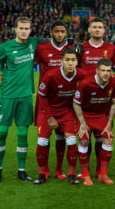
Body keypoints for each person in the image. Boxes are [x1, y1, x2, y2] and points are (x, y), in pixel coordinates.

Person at [0, 17, 46, 182]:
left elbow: (54, 40)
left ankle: (21, 170)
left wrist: (73, 43)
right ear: (15, 29)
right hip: (7, 96)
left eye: (27, 28)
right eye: (21, 28)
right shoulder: (5, 48)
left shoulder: (33, 43)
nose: (24, 31)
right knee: (2, 132)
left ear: (30, 30)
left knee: (22, 134)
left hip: (26, 96)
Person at [78, 17, 115, 178]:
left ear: (104, 30)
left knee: (101, 137)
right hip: (85, 99)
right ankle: (85, 171)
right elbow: (73, 67)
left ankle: (99, 170)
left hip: (104, 99)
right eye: (94, 27)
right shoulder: (81, 48)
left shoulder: (111, 48)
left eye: (100, 27)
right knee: (85, 137)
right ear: (89, 30)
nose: (97, 29)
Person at [35, 47, 84, 185]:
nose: (70, 63)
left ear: (76, 62)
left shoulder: (81, 75)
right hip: (46, 111)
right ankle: (42, 172)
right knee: (42, 141)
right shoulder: (51, 75)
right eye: (67, 60)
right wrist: (50, 117)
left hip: (66, 112)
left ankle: (70, 173)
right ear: (61, 61)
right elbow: (42, 96)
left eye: (73, 60)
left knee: (71, 141)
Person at [34, 20, 72, 180]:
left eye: (63, 31)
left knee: (61, 136)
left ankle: (59, 170)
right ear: (51, 33)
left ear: (66, 33)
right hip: (45, 100)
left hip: (65, 100)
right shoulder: (41, 48)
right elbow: (28, 66)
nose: (60, 34)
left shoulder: (71, 50)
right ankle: (43, 171)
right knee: (43, 138)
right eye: (57, 31)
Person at [73, 58, 115, 185]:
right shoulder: (86, 83)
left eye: (108, 71)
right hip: (85, 115)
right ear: (97, 71)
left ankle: (103, 174)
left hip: (101, 116)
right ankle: (86, 175)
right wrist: (82, 122)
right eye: (103, 70)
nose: (105, 73)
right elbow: (76, 103)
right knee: (84, 140)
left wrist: (109, 123)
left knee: (109, 139)